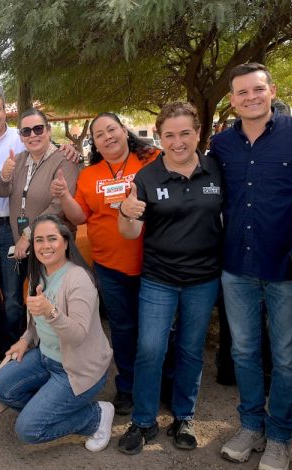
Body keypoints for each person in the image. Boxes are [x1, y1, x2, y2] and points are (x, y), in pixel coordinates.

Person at [207, 63, 292, 470]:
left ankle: (279, 436)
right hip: (236, 265)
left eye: (257, 89)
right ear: (232, 100)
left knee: (288, 358)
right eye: (242, 92)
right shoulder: (221, 145)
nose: (251, 97)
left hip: (286, 267)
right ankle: (250, 427)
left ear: (272, 91)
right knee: (243, 352)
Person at [116, 102, 224, 453]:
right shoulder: (147, 177)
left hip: (203, 278)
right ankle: (143, 420)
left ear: (198, 134)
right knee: (150, 349)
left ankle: (183, 416)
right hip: (159, 278)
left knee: (190, 350)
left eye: (185, 133)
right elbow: (130, 232)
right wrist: (125, 212)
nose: (178, 142)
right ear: (159, 137)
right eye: (170, 135)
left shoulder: (216, 169)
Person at [51, 112, 158, 415]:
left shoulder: (151, 159)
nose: (107, 137)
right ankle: (128, 386)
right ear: (94, 143)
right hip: (110, 267)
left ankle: (161, 383)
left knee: (156, 331)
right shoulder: (89, 175)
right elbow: (79, 217)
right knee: (122, 329)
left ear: (124, 130)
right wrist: (64, 197)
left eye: (112, 129)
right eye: (99, 134)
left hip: (154, 264)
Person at [0, 91, 78, 370]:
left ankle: (15, 349)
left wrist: (68, 148)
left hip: (9, 228)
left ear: (6, 111)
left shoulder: (20, 136)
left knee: (14, 297)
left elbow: (44, 145)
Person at [0, 214, 114, 452]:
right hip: (45, 358)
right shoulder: (39, 272)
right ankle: (48, 408)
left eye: (52, 239)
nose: (45, 246)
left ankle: (95, 417)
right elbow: (35, 321)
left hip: (75, 369)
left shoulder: (79, 279)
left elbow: (78, 335)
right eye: (39, 240)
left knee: (28, 430)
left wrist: (51, 311)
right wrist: (25, 339)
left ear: (65, 242)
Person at [0, 107, 79, 267]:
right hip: (23, 247)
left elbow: (58, 207)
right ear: (21, 137)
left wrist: (28, 235)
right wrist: (4, 176)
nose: (32, 135)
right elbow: (1, 192)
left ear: (48, 130)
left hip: (52, 246)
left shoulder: (65, 159)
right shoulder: (18, 160)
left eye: (38, 129)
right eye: (26, 131)